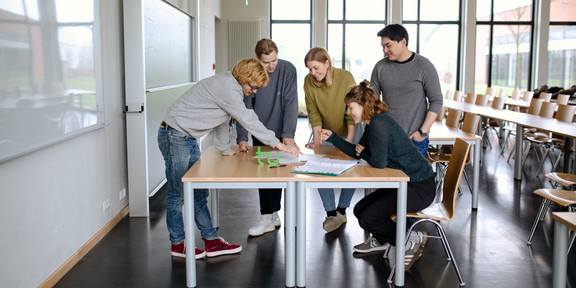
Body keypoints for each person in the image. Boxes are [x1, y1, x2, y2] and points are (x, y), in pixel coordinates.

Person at [158, 58, 302, 259]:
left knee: (198, 193)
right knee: (178, 193)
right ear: (244, 78)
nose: (254, 92)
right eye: (253, 87)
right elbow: (248, 119)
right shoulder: (228, 88)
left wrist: (225, 149)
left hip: (187, 137)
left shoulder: (230, 86)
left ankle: (211, 240)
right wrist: (279, 144)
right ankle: (178, 244)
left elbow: (222, 120)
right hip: (175, 135)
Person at [320, 80, 436, 269]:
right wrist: (333, 137)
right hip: (405, 182)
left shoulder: (379, 124)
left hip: (418, 186)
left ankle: (410, 239)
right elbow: (357, 151)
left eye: (350, 108)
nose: (348, 113)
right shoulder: (372, 123)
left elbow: (378, 162)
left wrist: (364, 153)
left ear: (363, 105)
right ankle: (385, 241)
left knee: (368, 217)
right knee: (360, 210)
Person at [236, 39, 299, 237]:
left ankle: (273, 214)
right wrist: (242, 136)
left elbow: (291, 102)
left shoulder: (288, 69)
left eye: (274, 60)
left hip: (281, 131)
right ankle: (266, 216)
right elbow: (244, 107)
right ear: (257, 59)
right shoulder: (251, 72)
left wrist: (288, 134)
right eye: (266, 62)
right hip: (260, 130)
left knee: (279, 173)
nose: (271, 66)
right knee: (264, 173)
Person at [303, 47, 360, 233]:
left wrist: (349, 139)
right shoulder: (309, 82)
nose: (313, 73)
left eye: (316, 68)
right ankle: (331, 213)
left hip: (350, 129)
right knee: (320, 167)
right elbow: (313, 112)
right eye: (310, 69)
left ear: (327, 63)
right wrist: (318, 141)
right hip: (326, 131)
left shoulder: (345, 77)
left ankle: (342, 210)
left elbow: (351, 111)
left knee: (350, 169)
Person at [370, 24, 443, 157]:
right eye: (382, 46)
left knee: (413, 178)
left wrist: (423, 132)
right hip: (386, 139)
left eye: (388, 45)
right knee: (385, 177)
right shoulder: (380, 67)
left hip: (414, 140)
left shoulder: (424, 66)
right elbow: (372, 102)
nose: (384, 50)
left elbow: (436, 101)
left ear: (403, 42)